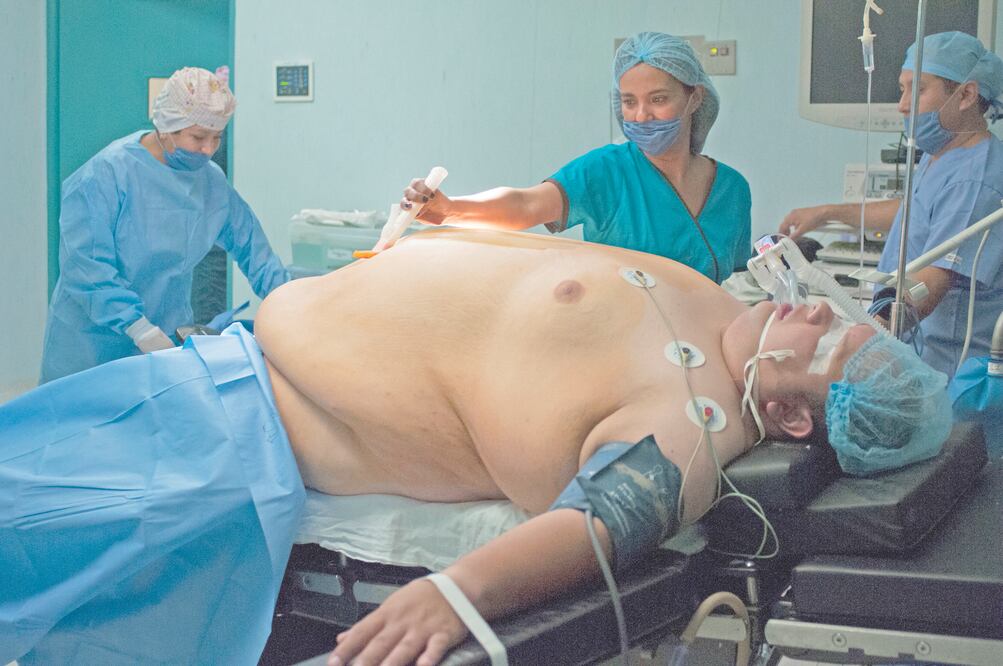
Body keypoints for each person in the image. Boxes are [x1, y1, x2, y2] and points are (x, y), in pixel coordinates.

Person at [1, 229, 951, 664]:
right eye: (837, 316)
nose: (814, 309)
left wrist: (453, 595)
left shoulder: (694, 428)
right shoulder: (726, 303)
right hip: (218, 368)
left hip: (237, 435)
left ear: (789, 422)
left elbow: (597, 525)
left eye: (821, 345)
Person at [399, 32, 752, 284]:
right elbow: (526, 205)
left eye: (658, 99)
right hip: (620, 344)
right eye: (629, 102)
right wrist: (451, 209)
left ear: (694, 99)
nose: (641, 115)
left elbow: (737, 285)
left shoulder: (732, 189)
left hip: (702, 348)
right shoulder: (608, 171)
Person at [39, 66, 290, 383]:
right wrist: (137, 327)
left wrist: (289, 303)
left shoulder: (210, 181)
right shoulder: (105, 175)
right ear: (166, 126)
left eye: (217, 137)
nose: (209, 149)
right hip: (93, 342)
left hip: (168, 336)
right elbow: (86, 268)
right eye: (198, 137)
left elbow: (253, 248)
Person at [780, 32, 1003, 378]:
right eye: (902, 88)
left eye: (919, 89)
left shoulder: (976, 180)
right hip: (915, 351)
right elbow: (915, 210)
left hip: (945, 370)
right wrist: (829, 213)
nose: (902, 104)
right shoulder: (943, 155)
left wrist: (869, 327)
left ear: (967, 95)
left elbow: (931, 280)